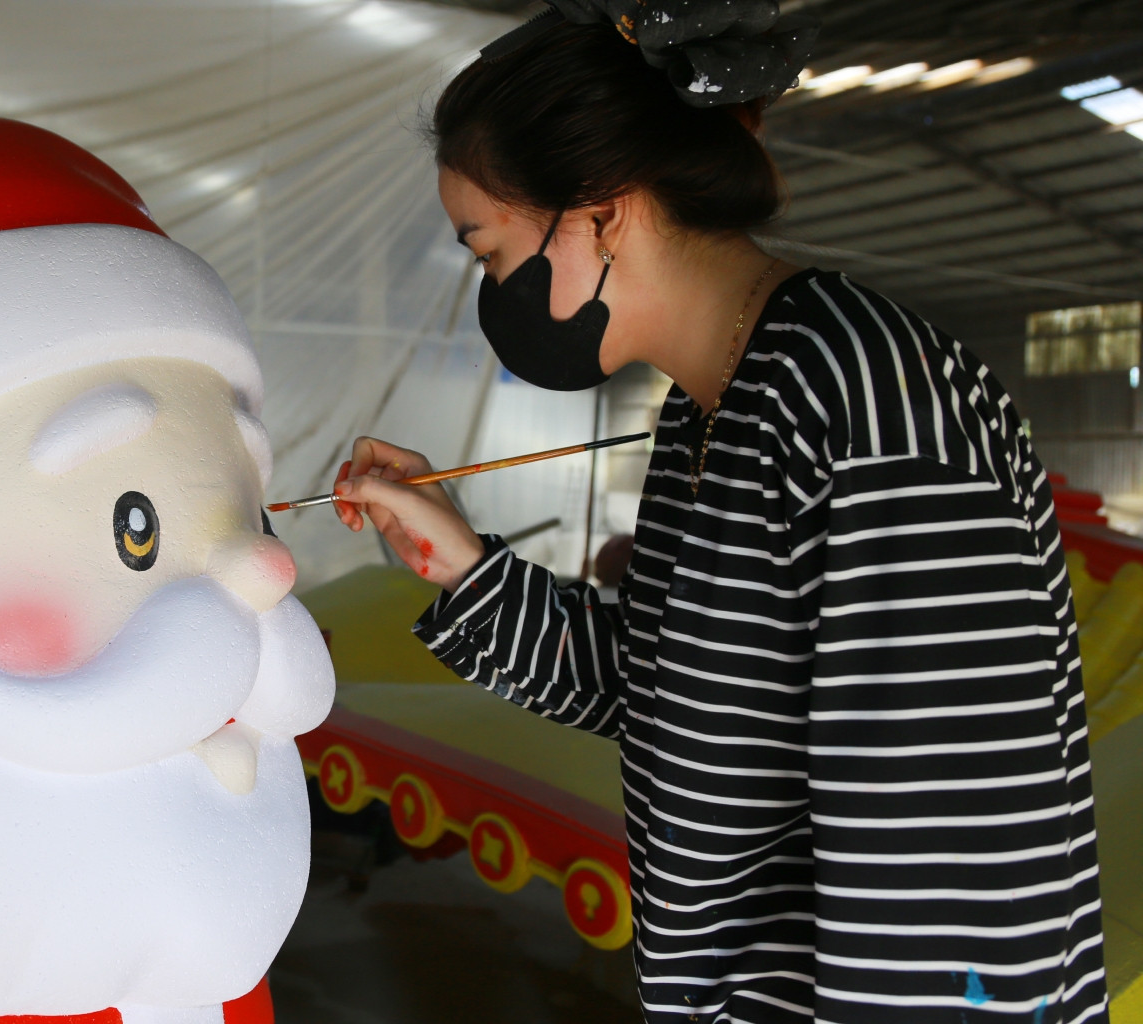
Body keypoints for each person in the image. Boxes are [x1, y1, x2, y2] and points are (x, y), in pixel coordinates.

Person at [331, 4, 1108, 1021]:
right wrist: (464, 566)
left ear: (601, 212)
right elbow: (672, 700)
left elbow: (948, 860)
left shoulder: (867, 403)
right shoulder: (713, 415)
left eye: (487, 251)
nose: (491, 288)